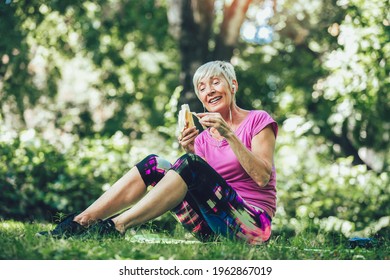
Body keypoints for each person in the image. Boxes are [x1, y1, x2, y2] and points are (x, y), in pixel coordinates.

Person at [37, 60, 278, 245]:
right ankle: (80, 223)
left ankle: (116, 226)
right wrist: (190, 151)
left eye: (216, 82)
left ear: (232, 85)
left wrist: (229, 135)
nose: (209, 91)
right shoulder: (203, 138)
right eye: (201, 87)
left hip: (253, 225)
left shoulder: (258, 120)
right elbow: (205, 194)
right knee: (156, 164)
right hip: (212, 230)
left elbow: (261, 177)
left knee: (190, 164)